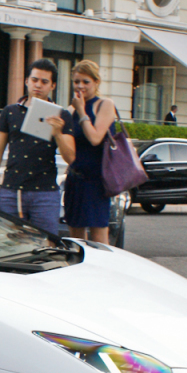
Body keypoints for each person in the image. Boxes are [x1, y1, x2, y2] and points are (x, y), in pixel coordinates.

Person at [0, 59, 65, 236]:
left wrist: (58, 132)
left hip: (45, 191)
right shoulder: (10, 112)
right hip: (12, 189)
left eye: (44, 81)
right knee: (8, 242)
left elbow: (69, 155)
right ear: (27, 81)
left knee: (47, 244)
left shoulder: (60, 115)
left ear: (53, 85)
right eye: (34, 80)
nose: (38, 85)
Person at [54, 60, 117, 243]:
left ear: (96, 83)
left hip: (96, 180)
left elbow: (95, 138)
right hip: (75, 177)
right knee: (76, 238)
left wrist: (82, 111)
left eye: (86, 82)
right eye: (76, 81)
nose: (80, 86)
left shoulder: (104, 104)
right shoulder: (70, 109)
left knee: (98, 239)